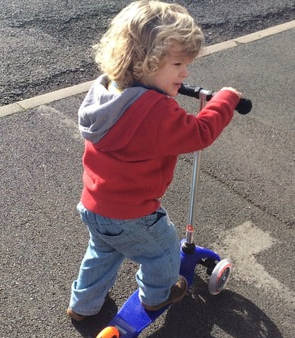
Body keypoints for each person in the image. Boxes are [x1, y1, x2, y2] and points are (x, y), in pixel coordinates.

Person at [67, 0, 242, 321]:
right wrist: (225, 101)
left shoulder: (106, 90)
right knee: (163, 251)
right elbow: (200, 132)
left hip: (94, 205)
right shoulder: (156, 111)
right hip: (133, 214)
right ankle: (156, 297)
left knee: (102, 253)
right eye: (177, 65)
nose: (185, 72)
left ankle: (83, 305)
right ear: (146, 63)